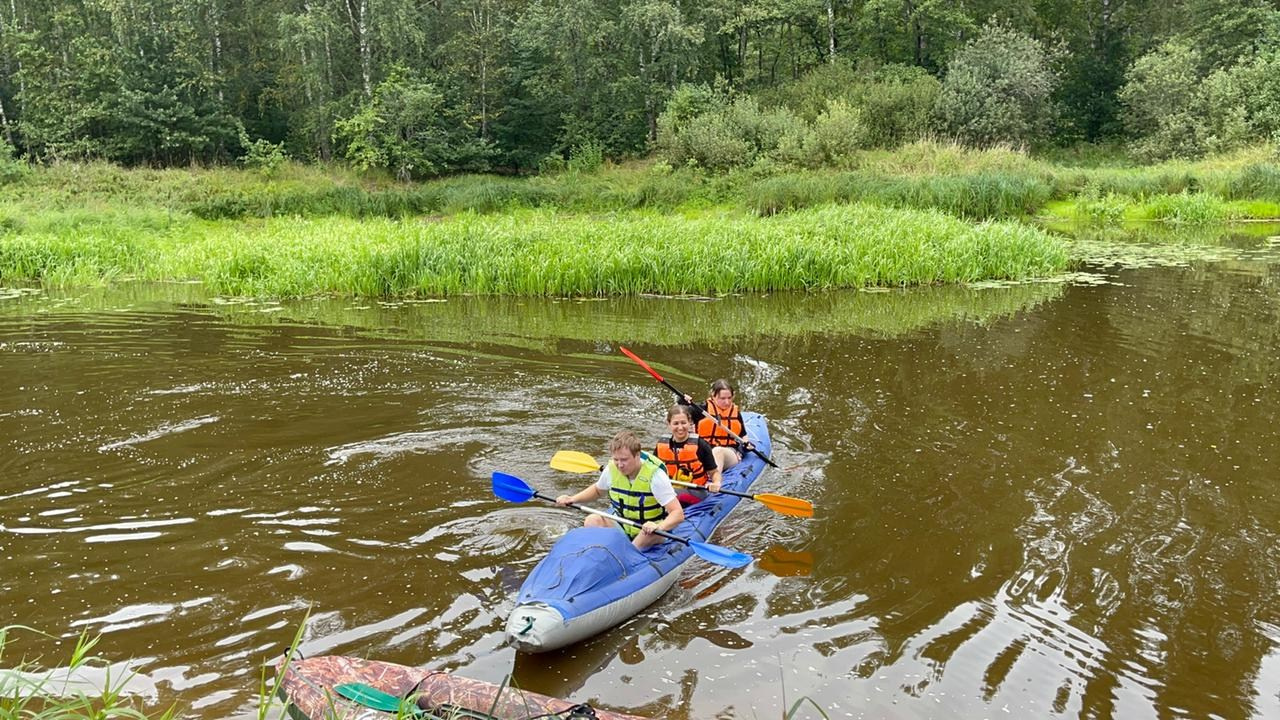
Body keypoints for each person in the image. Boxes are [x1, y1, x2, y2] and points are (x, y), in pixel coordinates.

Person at [556, 430, 684, 550]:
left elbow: (677, 513)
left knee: (646, 535)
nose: (620, 465)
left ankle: (629, 554)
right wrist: (572, 499)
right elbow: (597, 491)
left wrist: (658, 526)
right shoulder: (611, 469)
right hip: (623, 525)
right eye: (616, 459)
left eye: (624, 460)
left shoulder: (655, 476)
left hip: (649, 530)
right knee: (592, 520)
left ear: (637, 455)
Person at [655, 404, 722, 506]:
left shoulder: (701, 445)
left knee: (670, 494)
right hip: (670, 491)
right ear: (669, 424)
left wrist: (716, 483)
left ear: (690, 422)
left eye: (683, 423)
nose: (680, 427)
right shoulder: (661, 445)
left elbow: (714, 472)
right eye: (676, 423)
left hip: (696, 492)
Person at [682, 379, 751, 473]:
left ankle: (714, 478)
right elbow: (680, 414)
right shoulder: (701, 410)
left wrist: (746, 444)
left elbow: (743, 435)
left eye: (729, 398)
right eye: (722, 398)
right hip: (705, 450)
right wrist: (682, 402)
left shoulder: (735, 413)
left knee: (718, 451)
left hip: (728, 452)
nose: (727, 402)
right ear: (713, 395)